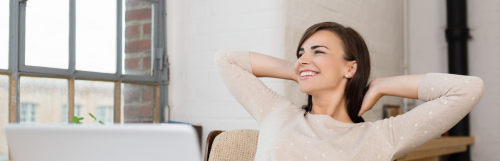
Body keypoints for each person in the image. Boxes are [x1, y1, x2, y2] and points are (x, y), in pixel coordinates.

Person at [214, 21, 484, 161]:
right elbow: (226, 60)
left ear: (350, 68)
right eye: (301, 53)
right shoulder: (277, 113)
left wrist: (382, 85)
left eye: (318, 51)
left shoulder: (381, 136)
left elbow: (468, 89)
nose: (304, 58)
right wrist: (299, 69)